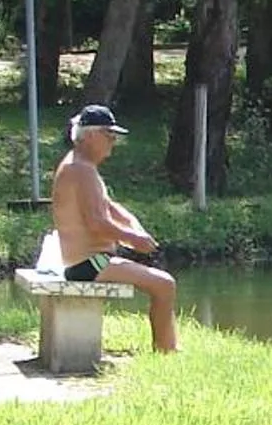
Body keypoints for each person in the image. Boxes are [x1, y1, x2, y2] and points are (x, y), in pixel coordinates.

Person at [50, 103, 179, 354]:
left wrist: (134, 226)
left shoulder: (80, 166)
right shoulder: (80, 170)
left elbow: (110, 206)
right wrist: (133, 239)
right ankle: (167, 352)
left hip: (91, 261)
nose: (113, 142)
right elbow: (96, 223)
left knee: (163, 283)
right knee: (165, 285)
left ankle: (168, 347)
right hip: (88, 265)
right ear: (90, 136)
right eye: (109, 135)